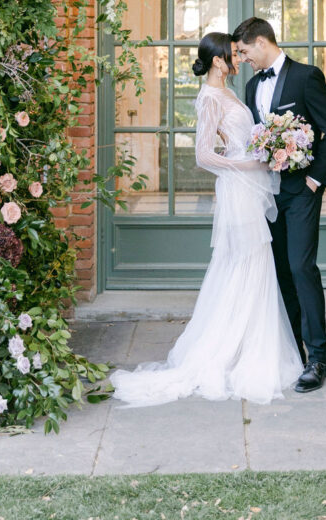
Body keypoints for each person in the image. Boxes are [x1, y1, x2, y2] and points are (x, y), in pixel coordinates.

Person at [110, 32, 302, 408]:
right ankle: (232, 352)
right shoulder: (210, 97)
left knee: (256, 264)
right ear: (217, 61)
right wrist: (248, 163)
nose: (239, 58)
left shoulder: (232, 92)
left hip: (250, 188)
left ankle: (251, 345)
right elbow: (203, 156)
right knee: (246, 262)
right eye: (233, 54)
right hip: (238, 189)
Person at [233, 17, 326, 393]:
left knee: (301, 267)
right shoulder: (251, 87)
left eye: (245, 52)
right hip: (267, 196)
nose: (244, 59)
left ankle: (318, 358)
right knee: (281, 273)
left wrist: (316, 180)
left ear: (261, 42)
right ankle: (293, 352)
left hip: (301, 192)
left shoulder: (306, 76)